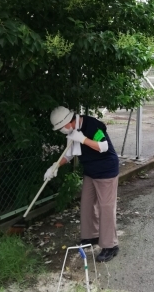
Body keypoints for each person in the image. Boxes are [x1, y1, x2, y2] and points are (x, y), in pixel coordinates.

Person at [44, 106, 119, 262]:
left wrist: (83, 139)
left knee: (106, 207)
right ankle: (91, 236)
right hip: (90, 171)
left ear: (67, 122)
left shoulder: (92, 125)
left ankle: (110, 246)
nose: (61, 131)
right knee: (86, 203)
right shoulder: (72, 131)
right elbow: (70, 154)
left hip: (106, 170)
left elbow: (103, 146)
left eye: (61, 128)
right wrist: (55, 166)